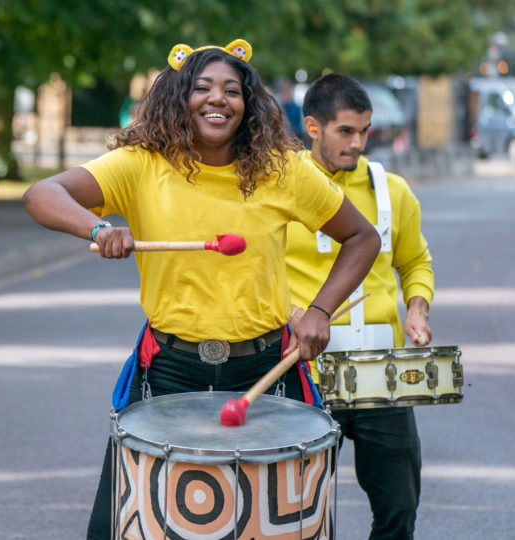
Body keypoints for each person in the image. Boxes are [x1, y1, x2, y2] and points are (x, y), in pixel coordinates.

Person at [21, 40, 381, 539]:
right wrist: (99, 231)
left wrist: (321, 309)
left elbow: (362, 237)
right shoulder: (140, 164)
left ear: (248, 104)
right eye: (203, 87)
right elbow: (42, 194)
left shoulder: (283, 169)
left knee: (274, 527)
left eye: (232, 90)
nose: (218, 99)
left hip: (264, 370)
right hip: (169, 369)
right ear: (178, 96)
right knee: (121, 527)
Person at [286, 73, 433, 540]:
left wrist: (417, 307)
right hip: (302, 367)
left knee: (399, 506)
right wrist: (289, 314)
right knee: (295, 509)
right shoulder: (278, 190)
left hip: (379, 371)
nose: (358, 143)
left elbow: (415, 262)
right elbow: (252, 273)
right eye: (345, 131)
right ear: (313, 126)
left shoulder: (393, 191)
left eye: (364, 131)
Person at [277, 78, 308, 145]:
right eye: (284, 92)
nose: (285, 95)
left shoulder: (296, 107)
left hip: (294, 139)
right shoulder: (280, 107)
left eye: (287, 92)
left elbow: (299, 127)